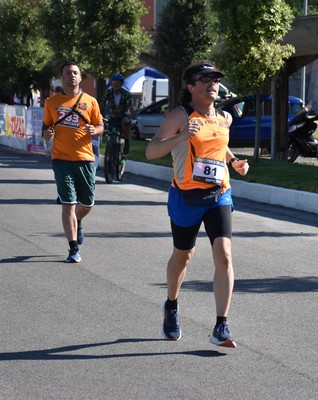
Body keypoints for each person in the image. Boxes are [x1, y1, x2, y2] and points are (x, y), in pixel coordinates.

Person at [146, 61, 249, 348]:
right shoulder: (180, 115)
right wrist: (181, 135)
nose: (212, 84)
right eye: (204, 79)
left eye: (215, 79)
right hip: (185, 197)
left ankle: (221, 325)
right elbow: (152, 151)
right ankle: (171, 305)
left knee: (225, 256)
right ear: (191, 87)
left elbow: (218, 143)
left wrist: (234, 161)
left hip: (219, 194)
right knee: (183, 256)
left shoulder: (224, 117)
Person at [42, 62, 104, 263]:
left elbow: (100, 125)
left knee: (87, 204)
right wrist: (47, 134)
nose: (72, 76)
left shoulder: (90, 101)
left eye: (75, 73)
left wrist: (95, 131)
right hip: (61, 160)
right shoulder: (51, 102)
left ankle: (78, 221)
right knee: (68, 204)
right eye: (68, 73)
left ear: (80, 77)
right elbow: (45, 129)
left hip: (85, 159)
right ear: (62, 77)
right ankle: (73, 248)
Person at [101, 73, 136, 159]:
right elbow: (102, 103)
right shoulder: (109, 92)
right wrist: (98, 114)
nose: (115, 84)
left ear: (121, 84)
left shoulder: (126, 94)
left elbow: (130, 107)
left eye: (118, 82)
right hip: (113, 117)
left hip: (123, 116)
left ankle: (125, 148)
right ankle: (110, 152)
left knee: (125, 127)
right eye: (114, 82)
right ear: (112, 83)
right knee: (111, 133)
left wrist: (134, 119)